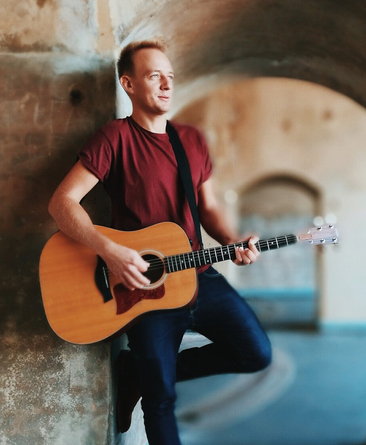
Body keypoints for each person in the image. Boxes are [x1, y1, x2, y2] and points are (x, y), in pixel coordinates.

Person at [48, 38, 272, 445]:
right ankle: (150, 377)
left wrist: (233, 240)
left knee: (255, 352)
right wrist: (109, 251)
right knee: (161, 398)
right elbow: (62, 203)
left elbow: (209, 209)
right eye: (155, 76)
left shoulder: (191, 141)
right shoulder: (114, 138)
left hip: (199, 275)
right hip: (143, 289)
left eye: (170, 77)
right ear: (128, 84)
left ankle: (139, 370)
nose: (167, 85)